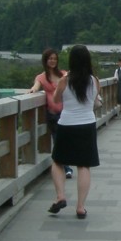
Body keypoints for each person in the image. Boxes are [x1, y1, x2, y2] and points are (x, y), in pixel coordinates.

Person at [49, 45, 100, 219]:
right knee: (84, 165)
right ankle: (80, 207)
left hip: (67, 123)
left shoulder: (65, 79)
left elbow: (56, 100)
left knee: (58, 161)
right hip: (87, 124)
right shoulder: (94, 80)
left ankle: (61, 196)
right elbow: (94, 102)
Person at [29, 49, 73, 180]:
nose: (52, 61)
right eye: (50, 59)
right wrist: (33, 90)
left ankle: (62, 165)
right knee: (57, 140)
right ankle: (65, 167)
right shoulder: (41, 77)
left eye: (54, 58)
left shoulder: (64, 74)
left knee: (66, 140)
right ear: (45, 60)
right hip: (53, 114)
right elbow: (36, 86)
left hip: (66, 112)